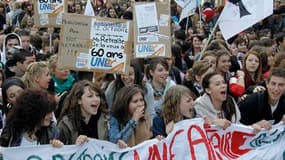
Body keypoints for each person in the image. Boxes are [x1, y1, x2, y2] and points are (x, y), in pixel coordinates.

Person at [57, 80, 109, 144]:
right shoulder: (66, 124)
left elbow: (109, 143)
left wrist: (119, 145)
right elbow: (60, 149)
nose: (96, 99)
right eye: (90, 96)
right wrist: (75, 145)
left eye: (97, 95)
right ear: (79, 100)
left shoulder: (105, 120)